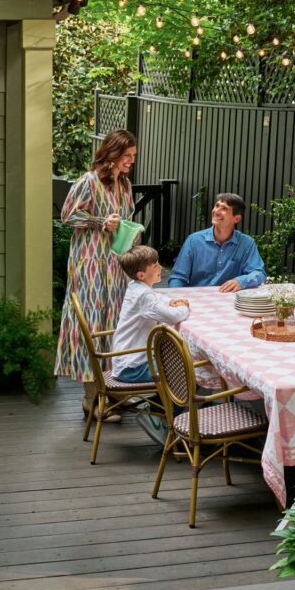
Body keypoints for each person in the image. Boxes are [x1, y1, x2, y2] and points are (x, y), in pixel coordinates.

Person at [57, 129, 139, 415]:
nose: (131, 161)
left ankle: (114, 390)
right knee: (92, 326)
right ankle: (91, 399)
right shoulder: (89, 181)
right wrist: (101, 222)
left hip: (116, 265)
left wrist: (130, 232)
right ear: (113, 153)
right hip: (90, 265)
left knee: (115, 325)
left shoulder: (126, 185)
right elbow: (67, 215)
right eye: (127, 155)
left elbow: (125, 218)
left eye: (133, 156)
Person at [111, 245, 190, 386]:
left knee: (181, 364)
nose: (160, 267)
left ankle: (163, 404)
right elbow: (174, 317)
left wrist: (170, 301)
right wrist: (184, 306)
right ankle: (168, 407)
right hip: (133, 368)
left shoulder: (136, 287)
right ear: (141, 275)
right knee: (190, 372)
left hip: (126, 361)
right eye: (155, 266)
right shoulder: (144, 295)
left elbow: (156, 297)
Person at [167, 193, 265, 293]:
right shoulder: (194, 241)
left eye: (224, 208)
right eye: (216, 206)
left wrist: (241, 281)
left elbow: (259, 273)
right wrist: (178, 298)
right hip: (197, 299)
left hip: (229, 300)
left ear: (236, 219)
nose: (216, 211)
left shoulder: (246, 243)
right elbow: (177, 278)